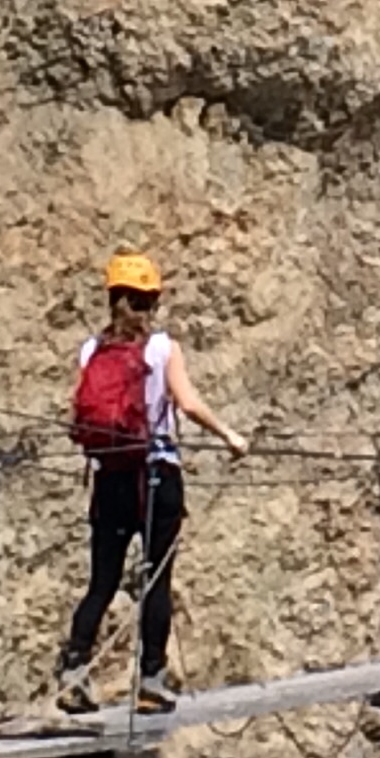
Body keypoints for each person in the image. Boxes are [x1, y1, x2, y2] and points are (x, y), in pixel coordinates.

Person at [57, 252, 249, 716]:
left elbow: (77, 413)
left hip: (109, 479)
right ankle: (150, 682)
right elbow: (188, 403)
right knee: (156, 581)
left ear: (112, 298)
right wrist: (229, 435)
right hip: (157, 477)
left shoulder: (91, 351)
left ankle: (74, 674)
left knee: (101, 582)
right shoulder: (163, 348)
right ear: (152, 301)